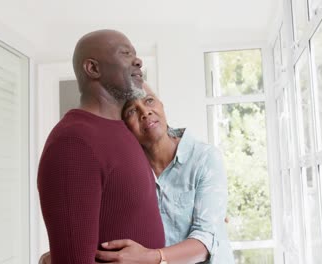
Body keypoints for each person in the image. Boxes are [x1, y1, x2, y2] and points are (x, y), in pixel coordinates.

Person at [40, 83, 234, 264]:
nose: (145, 112)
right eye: (131, 111)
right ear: (122, 126)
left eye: (149, 100)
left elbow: (206, 239)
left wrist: (153, 257)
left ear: (161, 104)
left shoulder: (205, 158)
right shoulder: (125, 168)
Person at [37, 30, 165, 264]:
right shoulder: (73, 143)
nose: (137, 60)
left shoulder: (125, 129)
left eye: (135, 54)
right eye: (125, 54)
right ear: (93, 69)